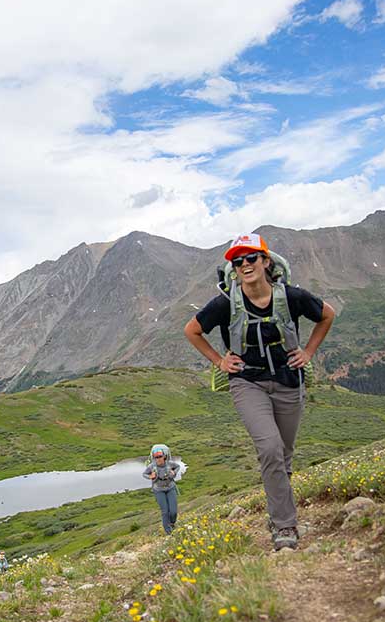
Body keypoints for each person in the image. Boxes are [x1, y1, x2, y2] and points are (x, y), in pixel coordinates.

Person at [183, 232, 335, 550]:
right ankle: (284, 526)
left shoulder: (291, 296)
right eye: (238, 261)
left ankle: (279, 509)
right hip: (247, 382)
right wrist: (219, 361)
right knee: (269, 448)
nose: (245, 264)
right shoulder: (225, 303)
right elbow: (192, 330)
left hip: (289, 381)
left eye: (251, 257)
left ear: (266, 261)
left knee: (284, 455)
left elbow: (326, 315)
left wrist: (308, 352)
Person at [142, 444, 185, 535]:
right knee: (165, 511)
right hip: (158, 490)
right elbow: (144, 474)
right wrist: (150, 476)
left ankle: (172, 523)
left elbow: (178, 466)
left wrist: (174, 472)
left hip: (170, 488)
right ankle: (169, 532)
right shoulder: (152, 466)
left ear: (164, 456)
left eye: (160, 456)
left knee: (173, 511)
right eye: (156, 457)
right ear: (154, 458)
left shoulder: (170, 464)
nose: (158, 459)